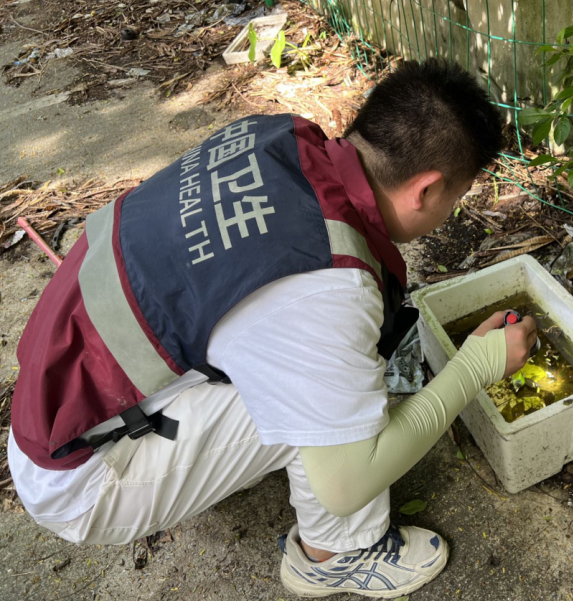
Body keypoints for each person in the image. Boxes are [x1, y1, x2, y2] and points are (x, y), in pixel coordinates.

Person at [8, 59, 537, 599]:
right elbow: (346, 481)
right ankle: (335, 556)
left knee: (328, 367)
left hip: (67, 392)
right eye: (458, 198)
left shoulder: (274, 136)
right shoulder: (329, 285)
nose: (452, 211)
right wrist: (477, 367)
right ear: (426, 189)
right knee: (348, 398)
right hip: (80, 472)